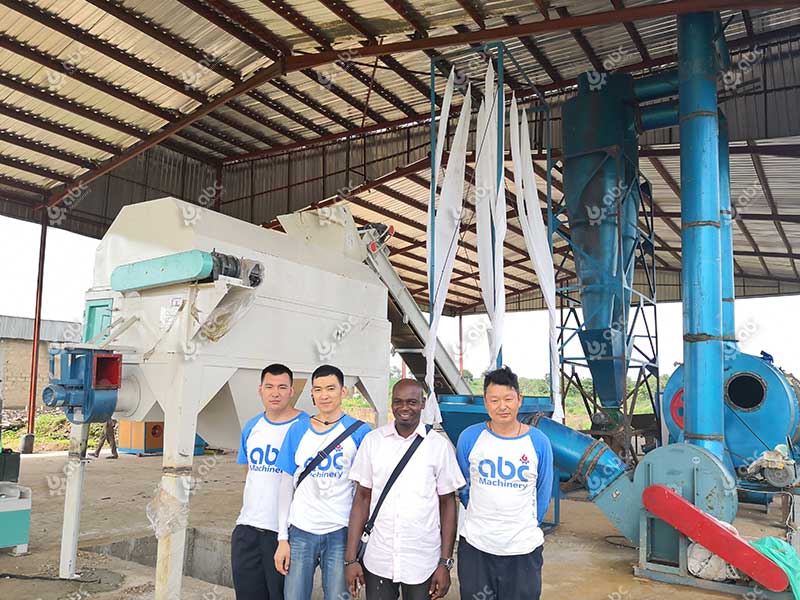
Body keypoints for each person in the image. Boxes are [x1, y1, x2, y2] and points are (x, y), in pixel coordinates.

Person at [345, 378, 464, 600]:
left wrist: (445, 563)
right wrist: (351, 559)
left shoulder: (439, 447)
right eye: (398, 401)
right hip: (378, 557)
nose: (404, 408)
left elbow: (448, 504)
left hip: (422, 561)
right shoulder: (373, 442)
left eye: (411, 402)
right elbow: (361, 498)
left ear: (423, 403)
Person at [455, 366, 554, 600]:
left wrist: (524, 525)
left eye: (508, 399)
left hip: (522, 550)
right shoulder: (470, 437)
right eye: (495, 400)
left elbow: (543, 491)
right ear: (486, 403)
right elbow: (464, 487)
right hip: (477, 547)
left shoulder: (538, 442)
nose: (502, 406)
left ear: (519, 400)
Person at [274, 364, 371, 600]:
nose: (324, 395)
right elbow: (286, 486)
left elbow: (366, 490)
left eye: (330, 388)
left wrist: (360, 542)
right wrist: (282, 538)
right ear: (312, 395)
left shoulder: (360, 432)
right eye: (318, 390)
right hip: (300, 531)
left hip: (341, 532)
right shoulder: (297, 431)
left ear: (343, 391)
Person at [231, 363, 307, 600]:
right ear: (260, 390)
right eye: (269, 386)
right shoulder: (252, 426)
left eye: (282, 387)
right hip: (247, 528)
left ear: (291, 391)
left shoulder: (305, 427)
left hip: (284, 534)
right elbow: (249, 472)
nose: (275, 393)